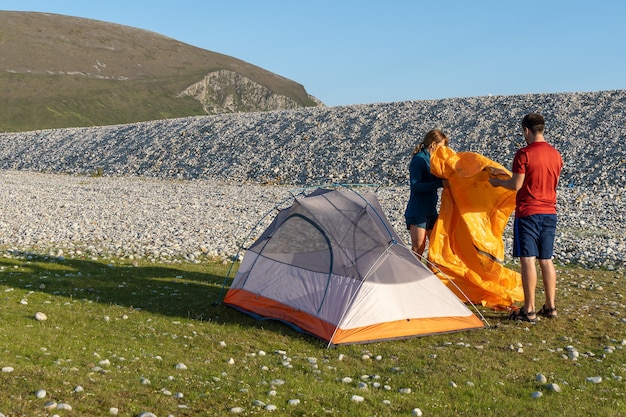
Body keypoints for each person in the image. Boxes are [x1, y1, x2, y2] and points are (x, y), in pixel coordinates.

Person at [489, 113, 563, 322]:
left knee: (528, 259)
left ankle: (529, 309)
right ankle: (550, 306)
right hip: (549, 211)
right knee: (546, 260)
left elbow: (516, 185)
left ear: (526, 130)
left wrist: (497, 183)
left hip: (528, 212)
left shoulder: (523, 154)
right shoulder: (556, 155)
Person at [404, 129, 449, 257]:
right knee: (418, 247)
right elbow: (416, 186)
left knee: (437, 245)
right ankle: (413, 275)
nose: (443, 150)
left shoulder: (433, 160)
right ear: (433, 144)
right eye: (441, 147)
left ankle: (433, 273)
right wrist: (439, 184)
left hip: (431, 211)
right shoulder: (419, 160)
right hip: (418, 211)